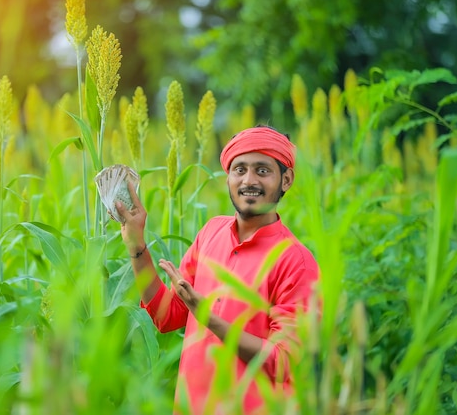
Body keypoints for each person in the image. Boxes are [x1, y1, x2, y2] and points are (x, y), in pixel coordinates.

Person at [115, 125, 320, 414]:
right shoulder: (211, 232)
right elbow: (166, 315)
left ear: (286, 179)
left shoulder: (295, 261)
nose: (249, 180)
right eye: (240, 170)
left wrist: (211, 320)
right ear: (228, 177)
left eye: (262, 171)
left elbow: (285, 362)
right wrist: (137, 246)